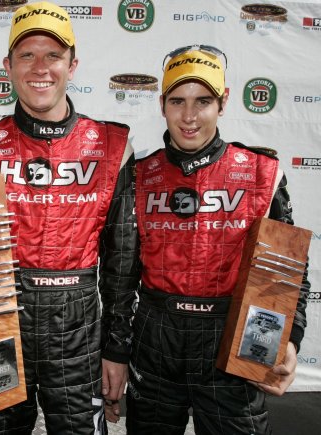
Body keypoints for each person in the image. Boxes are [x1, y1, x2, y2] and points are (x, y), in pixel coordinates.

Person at [0, 2, 140, 434]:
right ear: (7, 66)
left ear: (73, 64)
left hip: (80, 328)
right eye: (27, 55)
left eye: (53, 55)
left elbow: (122, 265)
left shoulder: (111, 145)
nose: (40, 67)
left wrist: (117, 350)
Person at [126, 45, 311, 434]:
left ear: (223, 102)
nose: (189, 116)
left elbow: (288, 272)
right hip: (154, 336)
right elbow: (120, 274)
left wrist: (289, 340)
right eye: (177, 101)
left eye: (203, 101)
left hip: (232, 339)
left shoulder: (263, 173)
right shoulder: (139, 175)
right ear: (162, 104)